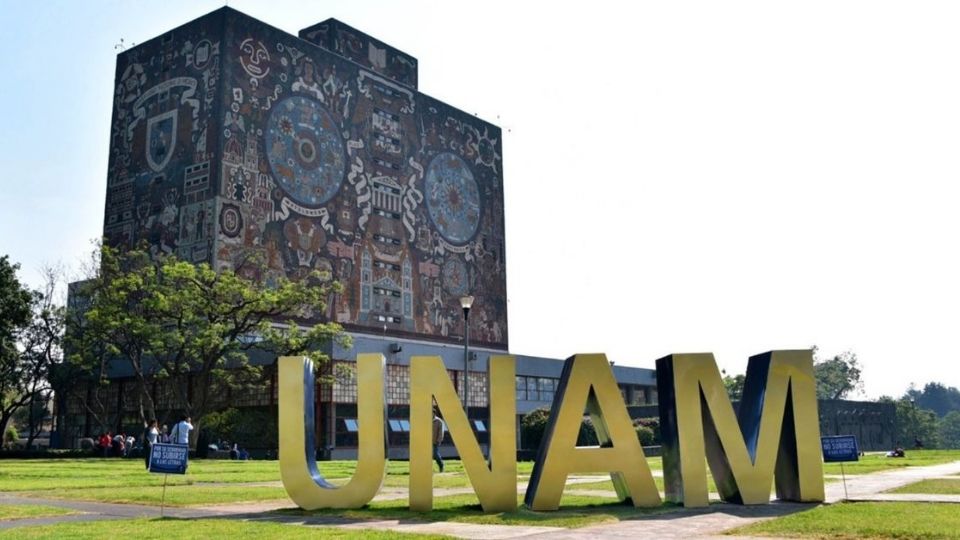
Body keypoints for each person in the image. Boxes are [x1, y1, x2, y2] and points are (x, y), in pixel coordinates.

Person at [432, 408, 446, 473]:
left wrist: (439, 440)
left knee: (435, 454)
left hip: (435, 441)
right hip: (427, 442)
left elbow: (441, 432)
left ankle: (441, 465)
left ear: (434, 413)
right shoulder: (426, 420)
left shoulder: (439, 421)